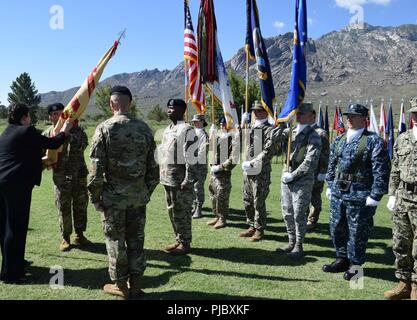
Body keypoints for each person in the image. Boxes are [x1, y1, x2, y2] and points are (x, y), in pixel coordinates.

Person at [88, 86, 159, 299]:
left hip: (114, 199)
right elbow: (154, 168)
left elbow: (95, 171)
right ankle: (136, 284)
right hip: (138, 197)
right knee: (137, 241)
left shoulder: (104, 129)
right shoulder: (145, 129)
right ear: (130, 103)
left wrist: (95, 198)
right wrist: (145, 191)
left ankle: (121, 285)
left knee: (116, 242)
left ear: (112, 104)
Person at [0, 103, 72, 284]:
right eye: (29, 116)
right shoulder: (26, 131)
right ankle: (12, 274)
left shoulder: (7, 132)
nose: (30, 119)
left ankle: (14, 263)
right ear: (25, 117)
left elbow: (20, 155)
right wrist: (65, 130)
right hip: (16, 185)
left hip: (4, 183)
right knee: (16, 227)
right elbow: (53, 143)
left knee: (6, 226)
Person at [323, 104, 390, 280]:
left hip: (360, 196)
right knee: (337, 228)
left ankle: (356, 267)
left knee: (357, 232)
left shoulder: (373, 141)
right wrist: (330, 185)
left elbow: (381, 171)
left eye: (354, 116)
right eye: (348, 116)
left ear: (364, 119)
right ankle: (342, 259)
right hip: (339, 193)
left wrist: (375, 195)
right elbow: (331, 166)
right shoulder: (339, 140)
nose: (349, 119)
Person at [273, 103, 322, 257]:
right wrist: (280, 125)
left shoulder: (314, 136)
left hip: (302, 180)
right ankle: (291, 241)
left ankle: (299, 246)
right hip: (286, 177)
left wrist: (293, 175)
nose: (299, 116)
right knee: (287, 211)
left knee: (299, 213)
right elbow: (273, 138)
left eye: (302, 114)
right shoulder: (291, 131)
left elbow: (310, 162)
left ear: (312, 116)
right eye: (297, 113)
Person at [43, 103, 91, 252]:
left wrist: (68, 133)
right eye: (54, 114)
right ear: (50, 116)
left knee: (81, 206)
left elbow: (83, 145)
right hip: (61, 177)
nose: (57, 116)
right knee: (63, 207)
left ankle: (80, 234)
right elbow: (43, 154)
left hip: (79, 175)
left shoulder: (78, 130)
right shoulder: (47, 134)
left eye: (60, 113)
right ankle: (65, 237)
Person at [384, 98, 417, 300]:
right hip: (403, 197)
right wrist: (391, 193)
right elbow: (395, 169)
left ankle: (415, 286)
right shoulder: (403, 138)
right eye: (415, 113)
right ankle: (403, 283)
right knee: (400, 242)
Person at [158, 99, 198, 255]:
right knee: (172, 211)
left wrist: (188, 179)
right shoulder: (168, 129)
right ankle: (178, 239)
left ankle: (185, 243)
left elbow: (192, 158)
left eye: (173, 108)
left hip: (180, 180)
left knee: (182, 212)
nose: (169, 110)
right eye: (168, 107)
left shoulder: (186, 129)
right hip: (167, 178)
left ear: (182, 111)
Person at [240, 101, 275, 242]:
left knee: (258, 200)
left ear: (266, 112)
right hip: (247, 170)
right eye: (254, 111)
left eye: (259, 111)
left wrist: (253, 163)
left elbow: (268, 150)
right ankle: (251, 225)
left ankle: (260, 229)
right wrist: (242, 125)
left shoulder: (269, 129)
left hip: (260, 171)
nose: (255, 113)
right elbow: (240, 140)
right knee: (247, 199)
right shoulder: (251, 127)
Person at [207, 117, 239, 229]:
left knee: (222, 196)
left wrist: (220, 167)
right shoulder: (218, 137)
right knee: (213, 194)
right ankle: (216, 215)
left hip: (223, 173)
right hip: (213, 172)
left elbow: (234, 158)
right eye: (220, 124)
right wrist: (211, 137)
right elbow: (210, 150)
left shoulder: (233, 138)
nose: (222, 126)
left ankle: (222, 218)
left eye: (224, 124)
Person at [307, 110, 330, 231]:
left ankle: (313, 220)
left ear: (313, 116)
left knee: (315, 196)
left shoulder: (321, 133)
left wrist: (323, 172)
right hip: (302, 172)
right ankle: (303, 218)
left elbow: (326, 153)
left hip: (316, 171)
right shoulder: (301, 131)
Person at [191, 114, 209, 219]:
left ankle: (199, 208)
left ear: (202, 122)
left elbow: (203, 151)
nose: (195, 123)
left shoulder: (203, 135)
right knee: (192, 187)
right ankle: (194, 206)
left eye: (197, 121)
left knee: (198, 187)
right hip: (191, 164)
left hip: (199, 165)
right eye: (194, 121)